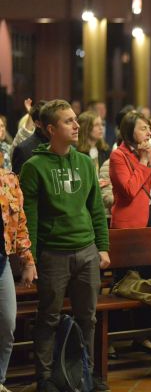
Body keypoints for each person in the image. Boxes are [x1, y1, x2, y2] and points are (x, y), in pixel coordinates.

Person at [19, 99, 110, 391]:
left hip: (86, 250)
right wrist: (29, 259)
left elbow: (96, 208)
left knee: (88, 318)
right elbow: (29, 218)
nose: (76, 125)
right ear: (50, 129)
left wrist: (102, 247)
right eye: (68, 121)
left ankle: (87, 372)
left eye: (75, 119)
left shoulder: (84, 161)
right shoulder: (34, 166)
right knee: (49, 317)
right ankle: (44, 377)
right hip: (54, 254)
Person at [0, 168, 36, 392]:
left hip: (1, 262)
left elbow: (20, 223)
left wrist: (28, 261)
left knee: (7, 323)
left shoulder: (8, 179)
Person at [109, 111, 151, 229]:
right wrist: (144, 162)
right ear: (129, 131)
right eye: (144, 128)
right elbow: (129, 191)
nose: (149, 133)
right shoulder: (118, 155)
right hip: (131, 221)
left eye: (149, 128)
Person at [12, 100, 49, 175]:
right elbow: (19, 183)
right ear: (38, 124)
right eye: (49, 120)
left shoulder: (62, 145)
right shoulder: (24, 149)